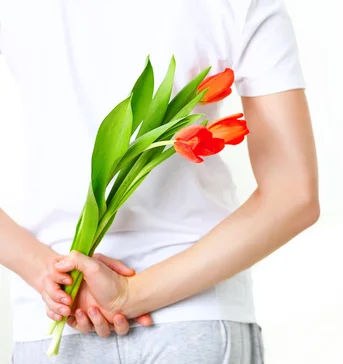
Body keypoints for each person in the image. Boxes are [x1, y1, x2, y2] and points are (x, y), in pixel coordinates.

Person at [0, 1, 319, 363]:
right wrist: (127, 295)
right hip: (194, 313)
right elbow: (293, 195)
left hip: (53, 321)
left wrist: (49, 273)